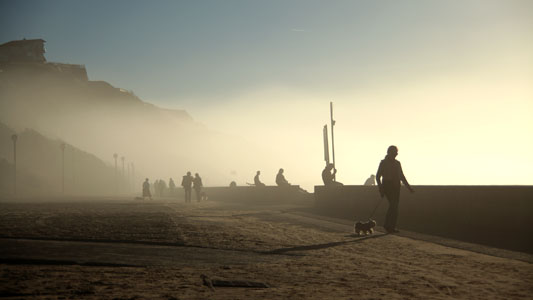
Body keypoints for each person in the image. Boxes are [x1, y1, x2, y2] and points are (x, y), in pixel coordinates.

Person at [376, 145, 414, 234]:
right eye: (395, 152)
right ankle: (388, 225)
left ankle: (390, 225)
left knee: (394, 207)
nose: (396, 153)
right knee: (393, 205)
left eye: (396, 152)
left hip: (396, 187)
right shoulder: (383, 163)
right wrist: (381, 188)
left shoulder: (397, 163)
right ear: (390, 152)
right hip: (388, 186)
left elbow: (401, 176)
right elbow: (378, 177)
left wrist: (409, 188)